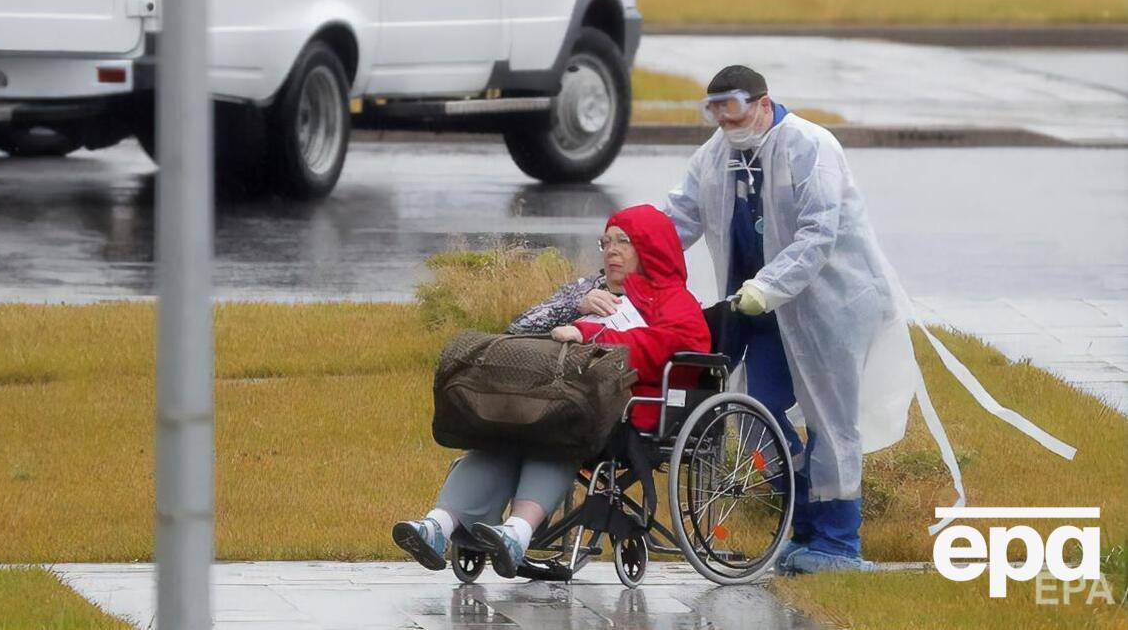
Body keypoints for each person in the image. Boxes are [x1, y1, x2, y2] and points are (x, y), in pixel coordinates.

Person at [665, 65, 921, 575]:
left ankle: (838, 543)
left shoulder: (811, 146)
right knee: (761, 417)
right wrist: (631, 255)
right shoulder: (715, 158)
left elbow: (818, 233)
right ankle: (800, 524)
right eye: (713, 109)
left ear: (763, 102)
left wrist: (770, 285)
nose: (723, 120)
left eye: (732, 107)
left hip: (830, 306)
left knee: (830, 421)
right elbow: (678, 219)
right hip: (758, 311)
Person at [393, 204, 711, 579]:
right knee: (505, 428)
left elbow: (679, 342)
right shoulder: (591, 290)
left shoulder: (674, 301)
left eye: (623, 242)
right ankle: (438, 525)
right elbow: (521, 329)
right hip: (565, 397)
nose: (611, 250)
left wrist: (593, 333)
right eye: (605, 241)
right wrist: (575, 309)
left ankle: (516, 532)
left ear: (651, 248)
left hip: (627, 411)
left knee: (555, 429)